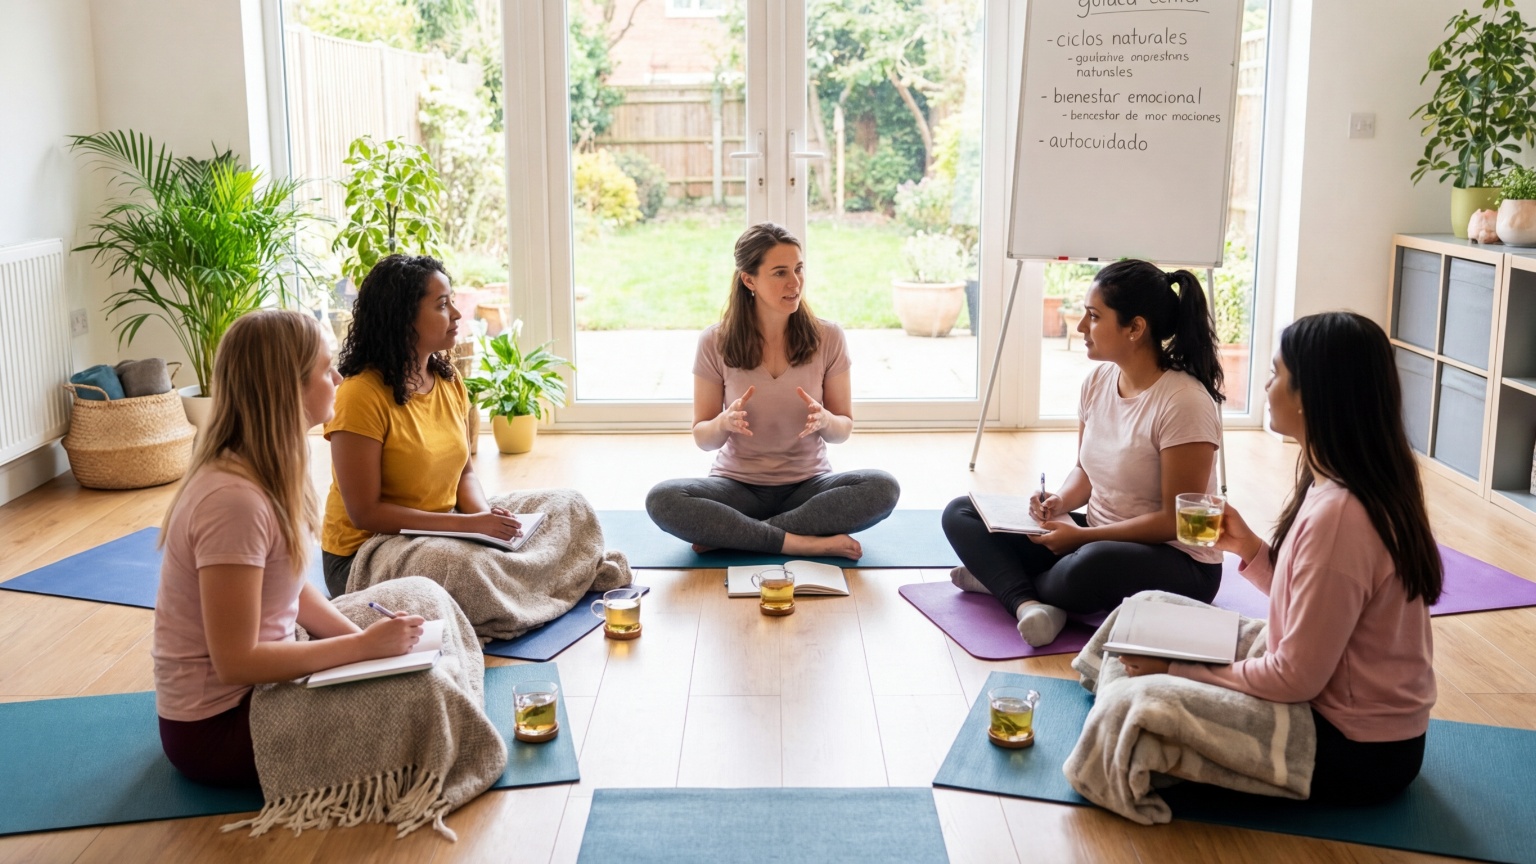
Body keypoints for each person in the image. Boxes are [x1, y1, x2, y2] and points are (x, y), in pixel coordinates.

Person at [1120, 312, 1439, 805]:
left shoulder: (1341, 515)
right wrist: (1249, 548)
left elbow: (1293, 678)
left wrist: (1174, 670)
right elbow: (1320, 607)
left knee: (1141, 703)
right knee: (1149, 607)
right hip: (1359, 720)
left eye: (1276, 374)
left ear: (1310, 397)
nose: (1267, 385)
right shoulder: (1344, 481)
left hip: (1356, 748)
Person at [153, 310, 425, 787]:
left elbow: (292, 591)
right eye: (325, 368)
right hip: (223, 728)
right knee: (421, 702)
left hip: (262, 684)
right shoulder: (231, 500)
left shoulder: (267, 467)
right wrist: (360, 648)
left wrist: (368, 650)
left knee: (424, 599)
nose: (338, 377)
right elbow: (235, 661)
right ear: (287, 388)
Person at [942, 259, 1225, 646]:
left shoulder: (1184, 402)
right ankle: (1029, 602)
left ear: (1135, 328)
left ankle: (1001, 582)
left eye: (1094, 316)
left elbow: (1176, 523)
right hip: (1094, 537)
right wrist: (1059, 501)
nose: (1080, 327)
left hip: (1176, 563)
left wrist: (1081, 540)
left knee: (1089, 567)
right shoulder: (1098, 381)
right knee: (961, 511)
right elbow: (1085, 472)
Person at [646, 222, 900, 559]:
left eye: (798, 269)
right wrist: (723, 423)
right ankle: (800, 541)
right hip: (737, 487)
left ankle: (740, 533)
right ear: (749, 280)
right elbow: (703, 438)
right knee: (662, 499)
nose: (794, 283)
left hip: (808, 488)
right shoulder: (714, 342)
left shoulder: (829, 337)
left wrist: (825, 420)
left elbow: (843, 429)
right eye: (780, 272)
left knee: (883, 487)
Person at [321, 254, 521, 596]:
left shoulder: (448, 378)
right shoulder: (359, 394)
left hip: (443, 531)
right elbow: (365, 513)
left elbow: (465, 475)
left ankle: (512, 582)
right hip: (366, 555)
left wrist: (485, 524)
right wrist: (465, 527)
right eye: (442, 305)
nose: (457, 314)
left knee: (567, 508)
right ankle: (519, 587)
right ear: (402, 318)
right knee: (465, 566)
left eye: (453, 302)